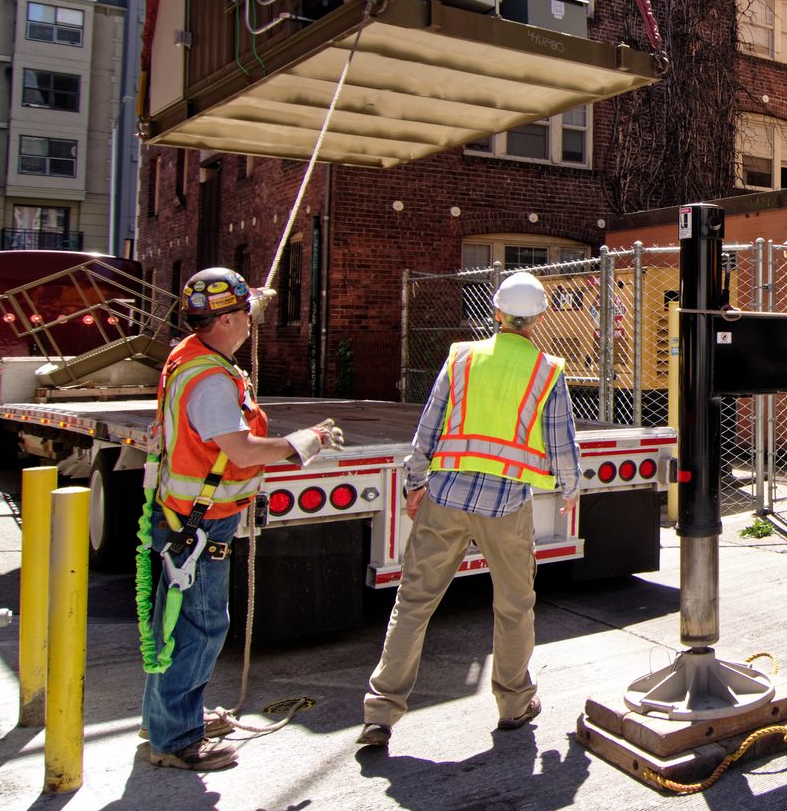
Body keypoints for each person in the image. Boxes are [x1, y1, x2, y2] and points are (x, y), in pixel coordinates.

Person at [357, 270, 581, 751]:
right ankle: (514, 702)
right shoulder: (547, 371)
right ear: (537, 319)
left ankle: (380, 714)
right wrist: (569, 486)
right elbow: (563, 442)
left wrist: (415, 483)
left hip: (444, 498)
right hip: (505, 506)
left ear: (497, 313)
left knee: (413, 603)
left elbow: (429, 423)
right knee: (514, 605)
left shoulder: (461, 358)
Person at [140, 267, 342, 771]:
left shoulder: (191, 355)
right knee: (201, 626)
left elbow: (244, 305)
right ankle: (176, 739)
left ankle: (168, 717)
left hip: (185, 515)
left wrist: (257, 296)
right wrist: (306, 442)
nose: (252, 321)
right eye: (244, 314)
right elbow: (241, 450)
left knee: (177, 622)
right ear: (226, 320)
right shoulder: (211, 379)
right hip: (200, 522)